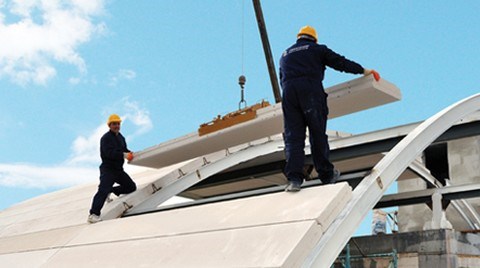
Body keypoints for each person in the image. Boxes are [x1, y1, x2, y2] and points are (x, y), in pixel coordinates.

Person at [279, 25, 380, 192]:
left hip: (289, 94)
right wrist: (363, 70)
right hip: (310, 90)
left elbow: (282, 78)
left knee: (293, 138)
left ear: (299, 37)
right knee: (317, 133)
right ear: (314, 38)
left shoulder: (284, 55)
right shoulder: (317, 49)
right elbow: (340, 62)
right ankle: (326, 175)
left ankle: (294, 179)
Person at [88, 114, 137, 223]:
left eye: (118, 124)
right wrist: (124, 155)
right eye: (114, 124)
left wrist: (131, 154)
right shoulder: (105, 138)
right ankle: (93, 214)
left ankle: (112, 190)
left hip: (118, 170)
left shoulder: (121, 137)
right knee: (102, 191)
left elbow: (124, 149)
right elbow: (109, 153)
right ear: (109, 125)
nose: (116, 126)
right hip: (108, 170)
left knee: (131, 187)